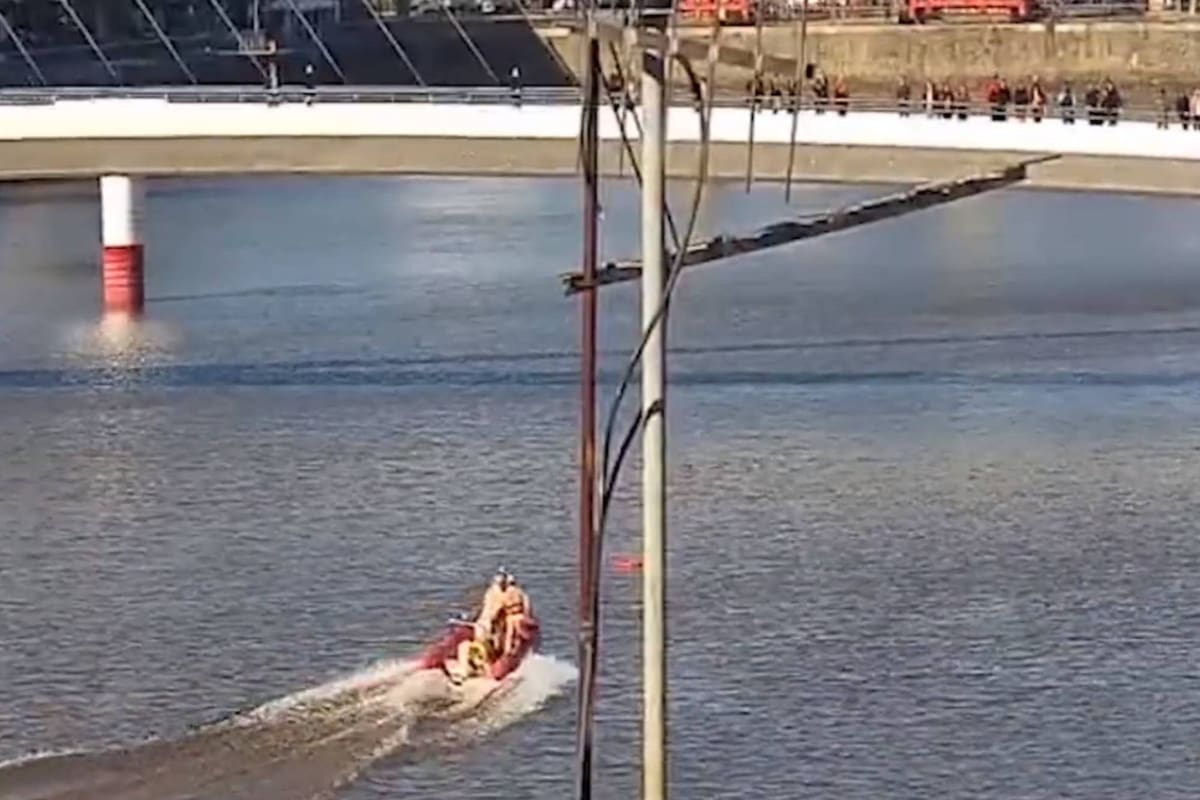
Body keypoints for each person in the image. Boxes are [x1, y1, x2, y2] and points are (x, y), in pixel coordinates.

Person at [499, 576, 532, 656]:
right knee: (517, 634)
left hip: (510, 617)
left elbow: (501, 606)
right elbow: (527, 606)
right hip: (519, 615)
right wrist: (527, 616)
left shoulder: (504, 594)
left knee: (509, 634)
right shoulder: (520, 592)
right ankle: (516, 650)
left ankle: (507, 651)